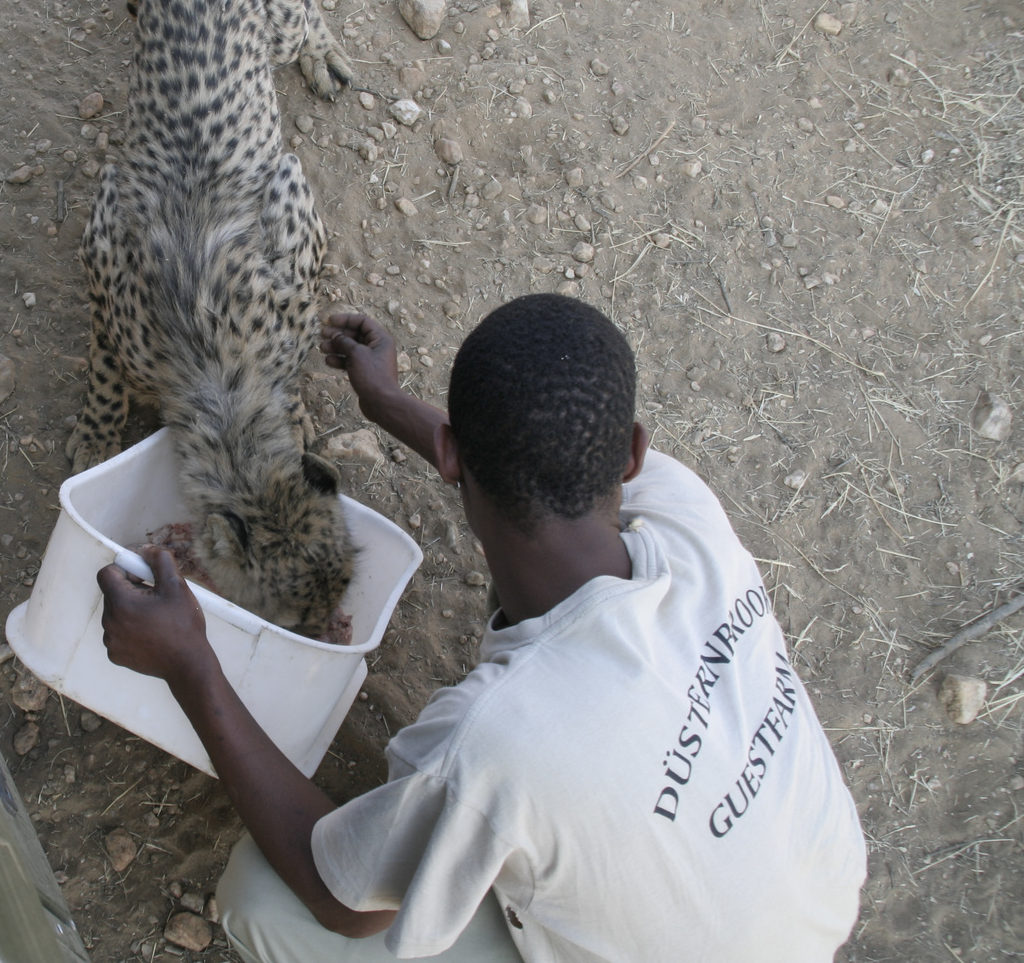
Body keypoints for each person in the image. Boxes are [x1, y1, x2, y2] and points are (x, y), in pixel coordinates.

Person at [97, 295, 867, 962]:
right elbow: (538, 456)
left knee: (260, 895)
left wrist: (191, 664)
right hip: (813, 898)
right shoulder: (687, 514)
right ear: (632, 452)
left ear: (448, 454)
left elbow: (341, 901)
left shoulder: (496, 742)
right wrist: (389, 403)